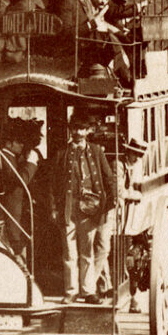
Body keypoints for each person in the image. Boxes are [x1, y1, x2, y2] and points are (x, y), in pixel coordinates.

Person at [50, 112, 116, 305]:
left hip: (90, 209)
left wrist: (108, 204)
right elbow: (53, 184)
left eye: (81, 129)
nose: (78, 132)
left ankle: (88, 291)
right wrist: (54, 207)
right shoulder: (62, 153)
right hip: (68, 209)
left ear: (88, 131)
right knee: (69, 253)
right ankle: (71, 291)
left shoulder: (96, 151)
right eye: (75, 129)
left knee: (87, 252)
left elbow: (108, 179)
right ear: (70, 131)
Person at [1, 117, 40, 259]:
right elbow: (21, 180)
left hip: (17, 213)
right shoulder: (6, 158)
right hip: (13, 213)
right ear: (9, 143)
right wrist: (31, 163)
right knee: (17, 252)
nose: (22, 145)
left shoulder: (11, 157)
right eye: (19, 142)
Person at [116, 138, 148, 313]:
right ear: (127, 152)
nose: (136, 158)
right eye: (134, 154)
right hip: (119, 216)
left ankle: (132, 296)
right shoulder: (119, 166)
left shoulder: (132, 167)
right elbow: (119, 191)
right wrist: (135, 195)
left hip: (130, 218)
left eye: (138, 155)